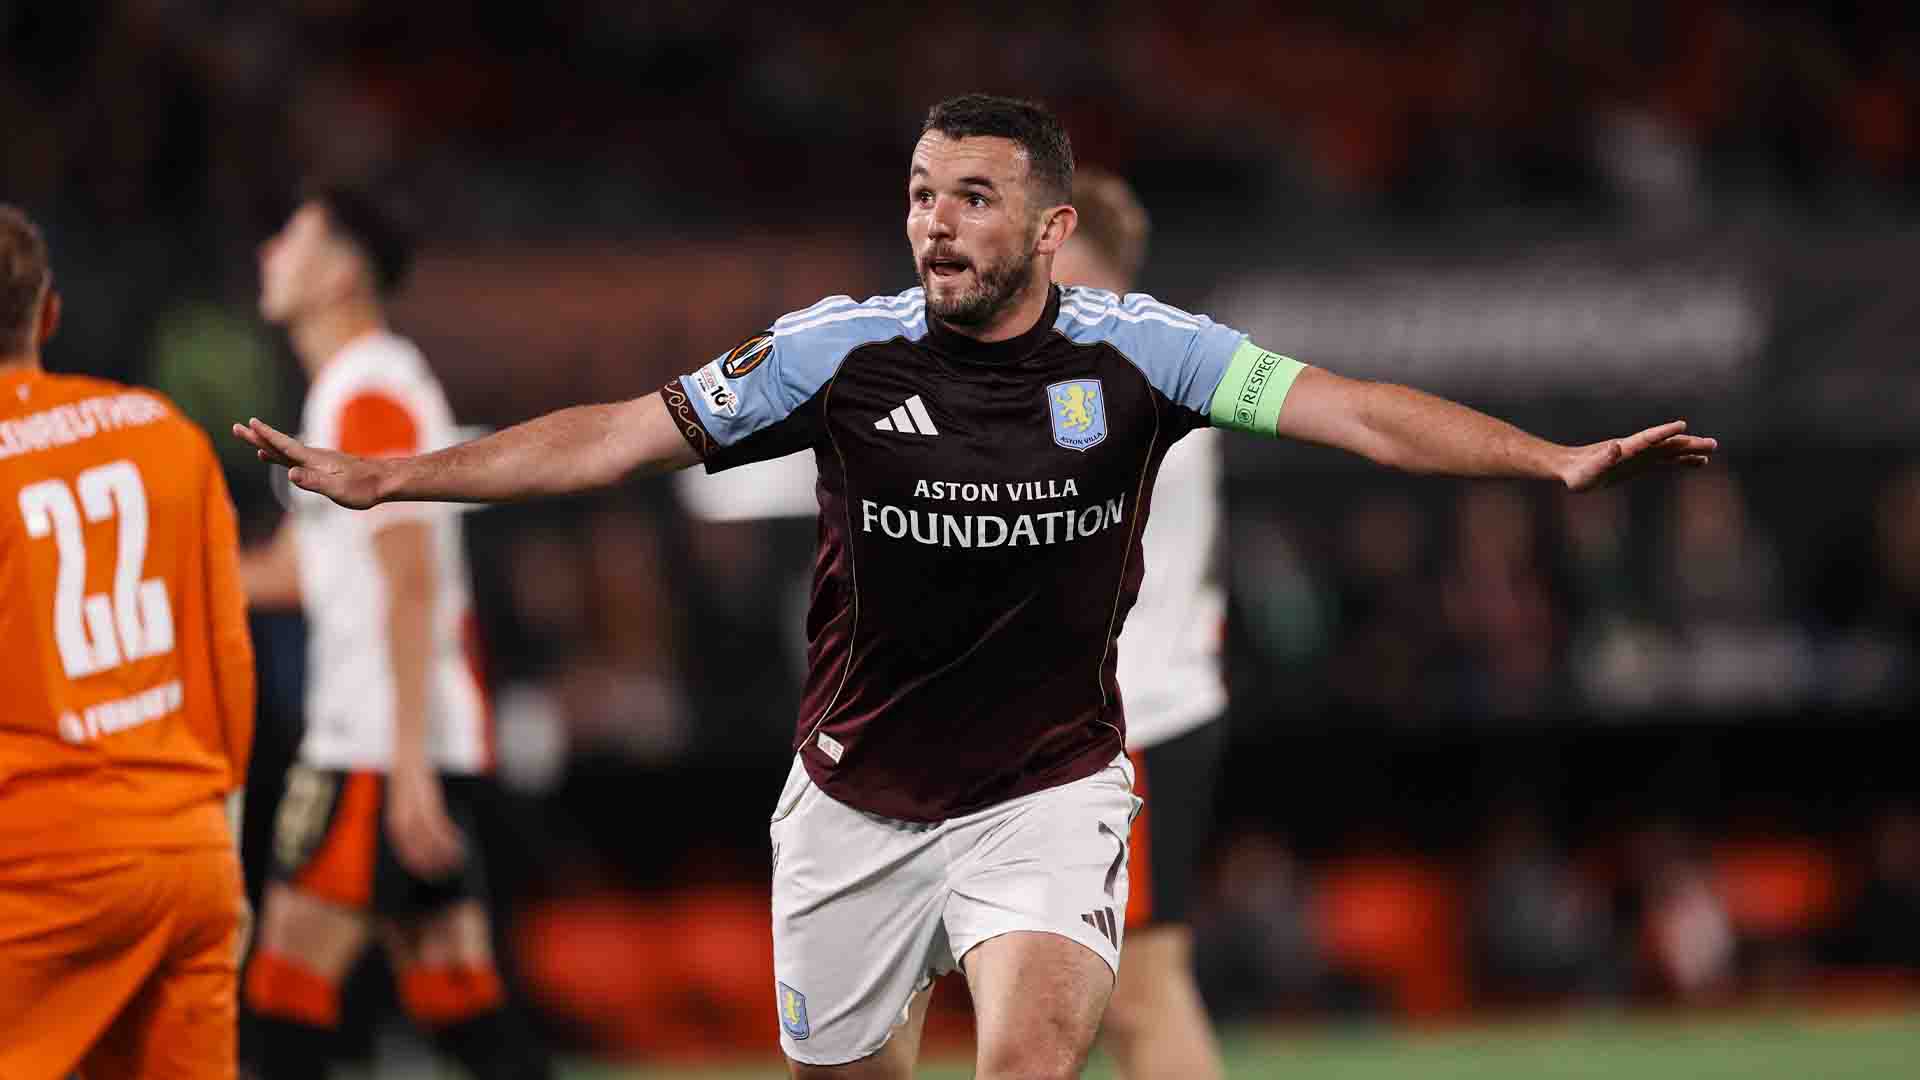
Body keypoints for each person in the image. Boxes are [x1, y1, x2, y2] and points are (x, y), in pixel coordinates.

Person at [234, 96, 1717, 1079]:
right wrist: (399, 477)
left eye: (974, 200)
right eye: (922, 195)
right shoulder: (836, 351)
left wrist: (1554, 464)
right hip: (854, 797)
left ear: (1053, 229)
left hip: (1050, 790)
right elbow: (618, 437)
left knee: (1023, 1061)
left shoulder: (1147, 350)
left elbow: (1364, 410)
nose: (935, 224)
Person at [236, 188, 551, 1079]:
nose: (268, 253)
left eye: (290, 236)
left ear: (341, 269)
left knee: (286, 994)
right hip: (395, 736)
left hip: (377, 744)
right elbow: (305, 571)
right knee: (457, 1000)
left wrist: (409, 767)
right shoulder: (353, 387)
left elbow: (412, 580)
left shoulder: (369, 387)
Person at [0, 204, 254, 1079]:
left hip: (40, 860)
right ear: (49, 313)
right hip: (188, 855)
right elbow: (225, 660)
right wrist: (229, 855)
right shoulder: (160, 431)